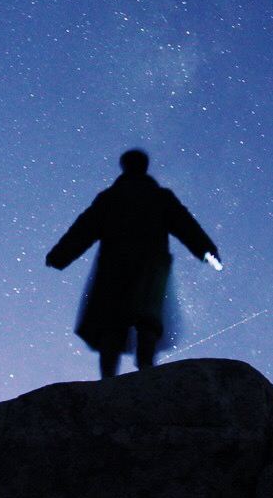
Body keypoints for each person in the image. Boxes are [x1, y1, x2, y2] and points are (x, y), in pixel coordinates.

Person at [46, 148, 220, 379]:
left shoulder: (111, 197)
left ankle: (109, 376)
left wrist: (59, 255)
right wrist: (207, 251)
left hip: (115, 263)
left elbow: (84, 228)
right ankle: (145, 367)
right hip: (150, 264)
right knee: (146, 315)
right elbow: (186, 226)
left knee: (113, 319)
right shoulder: (159, 197)